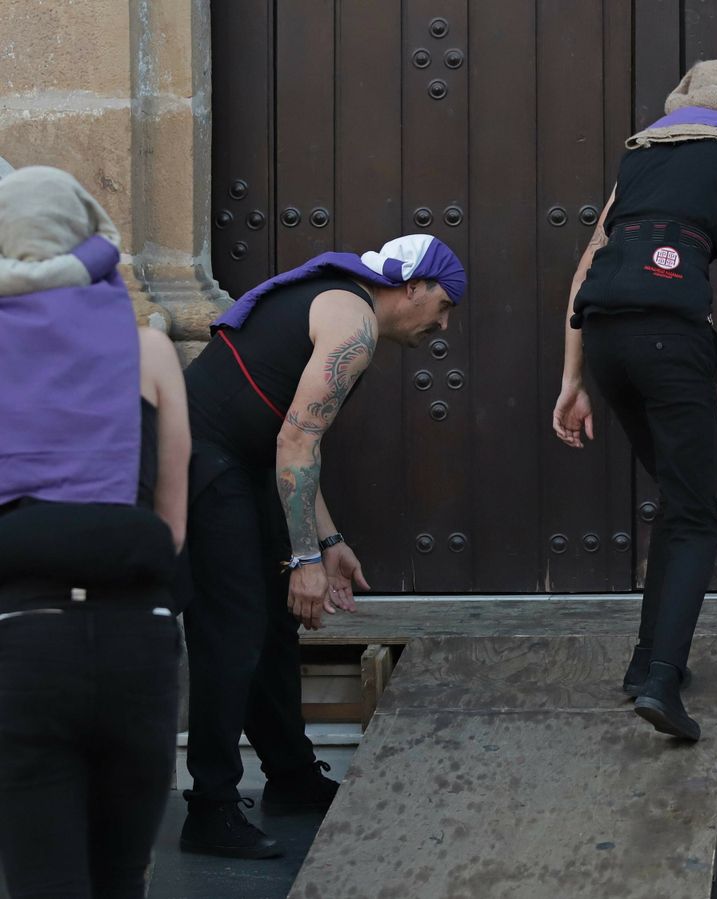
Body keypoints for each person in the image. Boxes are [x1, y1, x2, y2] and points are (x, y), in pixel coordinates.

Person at [179, 234, 465, 858]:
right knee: (232, 629)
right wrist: (304, 557)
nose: (443, 324)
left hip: (242, 462)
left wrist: (328, 540)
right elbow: (297, 444)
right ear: (412, 286)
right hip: (202, 460)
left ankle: (291, 777)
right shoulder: (352, 321)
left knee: (271, 626)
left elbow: (292, 443)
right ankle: (209, 809)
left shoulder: (344, 306)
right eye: (443, 304)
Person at [552, 59, 717, 741]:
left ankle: (645, 663)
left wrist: (572, 380)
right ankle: (662, 681)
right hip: (672, 343)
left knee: (679, 499)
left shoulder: (638, 161)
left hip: (606, 339)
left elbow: (588, 266)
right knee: (697, 516)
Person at [0, 165, 189, 897]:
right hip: (138, 640)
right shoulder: (150, 351)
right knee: (121, 882)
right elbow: (173, 527)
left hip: (23, 638)